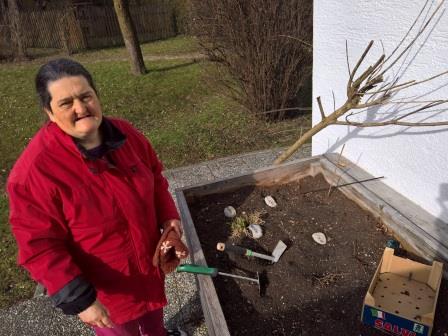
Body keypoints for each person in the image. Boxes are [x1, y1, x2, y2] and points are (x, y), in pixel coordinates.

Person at [7, 58, 189, 336]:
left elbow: (154, 176)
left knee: (155, 326)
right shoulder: (34, 172)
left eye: (85, 96)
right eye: (66, 103)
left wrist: (168, 215)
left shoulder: (126, 134)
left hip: (148, 271)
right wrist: (81, 299)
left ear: (96, 96)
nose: (81, 108)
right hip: (106, 294)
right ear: (50, 112)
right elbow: (39, 247)